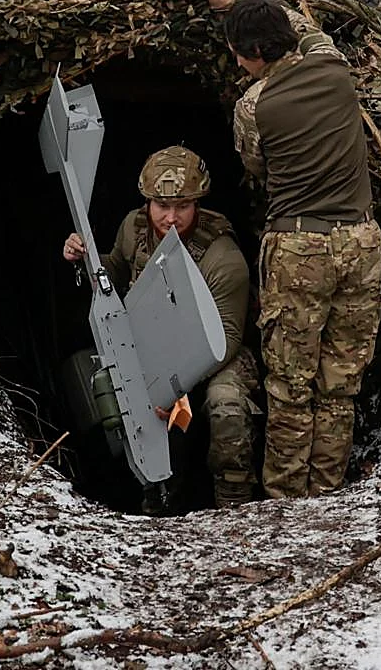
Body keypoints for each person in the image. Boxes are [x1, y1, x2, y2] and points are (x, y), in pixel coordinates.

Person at [189, 0, 381, 499]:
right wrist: (238, 4)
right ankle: (326, 492)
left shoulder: (253, 106)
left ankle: (285, 502)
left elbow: (255, 166)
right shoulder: (335, 68)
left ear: (255, 53)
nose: (236, 64)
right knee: (341, 382)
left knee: (290, 386)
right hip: (363, 242)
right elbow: (308, 29)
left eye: (238, 54)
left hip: (300, 247)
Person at [62, 145, 259, 508]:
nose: (171, 217)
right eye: (161, 206)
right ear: (148, 203)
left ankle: (234, 505)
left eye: (182, 206)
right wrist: (85, 257)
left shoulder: (222, 256)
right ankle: (156, 499)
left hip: (216, 356)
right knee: (110, 398)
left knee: (225, 403)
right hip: (154, 345)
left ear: (197, 204)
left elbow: (227, 339)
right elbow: (115, 271)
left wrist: (172, 387)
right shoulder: (133, 229)